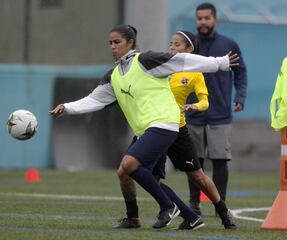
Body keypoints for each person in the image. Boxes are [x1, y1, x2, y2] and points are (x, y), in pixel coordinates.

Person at [49, 24, 239, 229]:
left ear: (130, 43)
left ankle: (218, 211)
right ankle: (145, 217)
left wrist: (220, 62)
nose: (112, 47)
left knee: (194, 176)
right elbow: (93, 100)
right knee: (126, 172)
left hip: (167, 125)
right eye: (110, 43)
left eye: (117, 42)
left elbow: (183, 60)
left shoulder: (147, 61)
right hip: (149, 131)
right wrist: (67, 107)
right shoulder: (114, 75)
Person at [113, 30, 237, 230]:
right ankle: (181, 214)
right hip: (154, 127)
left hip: (177, 129)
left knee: (197, 176)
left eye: (178, 45)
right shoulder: (162, 67)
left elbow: (205, 101)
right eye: (171, 43)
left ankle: (223, 212)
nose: (172, 48)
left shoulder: (194, 74)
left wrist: (193, 106)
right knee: (145, 177)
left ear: (189, 50)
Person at [186, 3, 248, 215]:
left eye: (206, 18)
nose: (202, 22)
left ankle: (219, 205)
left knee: (220, 161)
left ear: (215, 20)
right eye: (199, 18)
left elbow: (240, 72)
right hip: (193, 113)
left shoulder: (229, 44)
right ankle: (194, 204)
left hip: (220, 114)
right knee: (194, 162)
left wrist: (240, 96)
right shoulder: (190, 45)